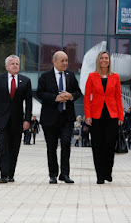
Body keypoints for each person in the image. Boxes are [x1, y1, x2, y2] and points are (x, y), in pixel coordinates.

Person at [36, 51, 81, 184]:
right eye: (62, 61)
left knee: (66, 143)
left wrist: (70, 96)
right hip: (50, 118)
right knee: (51, 147)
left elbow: (78, 92)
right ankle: (53, 174)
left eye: (66, 60)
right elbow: (40, 93)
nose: (65, 63)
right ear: (54, 61)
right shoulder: (45, 76)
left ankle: (65, 174)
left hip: (66, 118)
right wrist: (55, 98)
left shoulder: (71, 76)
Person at [0, 55, 32, 183]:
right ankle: (3, 173)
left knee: (14, 147)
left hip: (17, 121)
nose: (15, 66)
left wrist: (27, 119)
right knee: (2, 146)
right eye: (12, 63)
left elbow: (28, 102)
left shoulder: (25, 81)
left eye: (17, 63)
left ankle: (11, 173)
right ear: (6, 66)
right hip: (1, 119)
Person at [84, 51, 124, 184]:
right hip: (96, 116)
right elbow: (87, 97)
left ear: (109, 61)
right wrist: (88, 115)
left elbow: (118, 97)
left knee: (109, 145)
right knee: (97, 146)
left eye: (106, 58)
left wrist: (121, 116)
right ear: (98, 60)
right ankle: (99, 176)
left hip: (112, 115)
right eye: (102, 58)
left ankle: (108, 172)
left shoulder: (115, 77)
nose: (104, 60)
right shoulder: (92, 76)